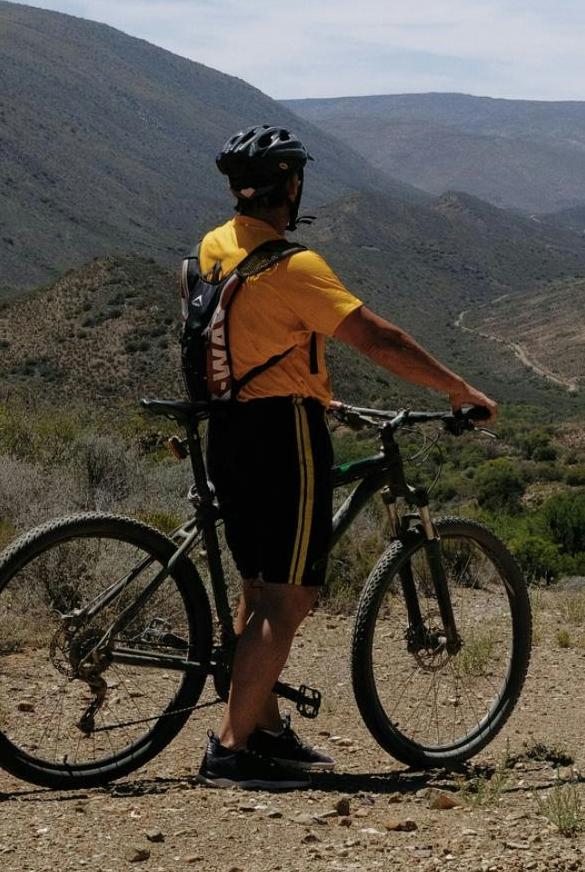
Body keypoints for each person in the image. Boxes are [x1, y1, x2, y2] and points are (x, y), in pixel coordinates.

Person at [195, 124, 497, 790]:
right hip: (283, 434)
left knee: (258, 587)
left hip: (229, 426)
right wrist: (457, 388)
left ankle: (265, 730)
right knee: (293, 595)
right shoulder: (293, 265)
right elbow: (377, 339)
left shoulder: (216, 246)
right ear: (292, 186)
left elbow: (250, 337)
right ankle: (231, 749)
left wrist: (313, 388)